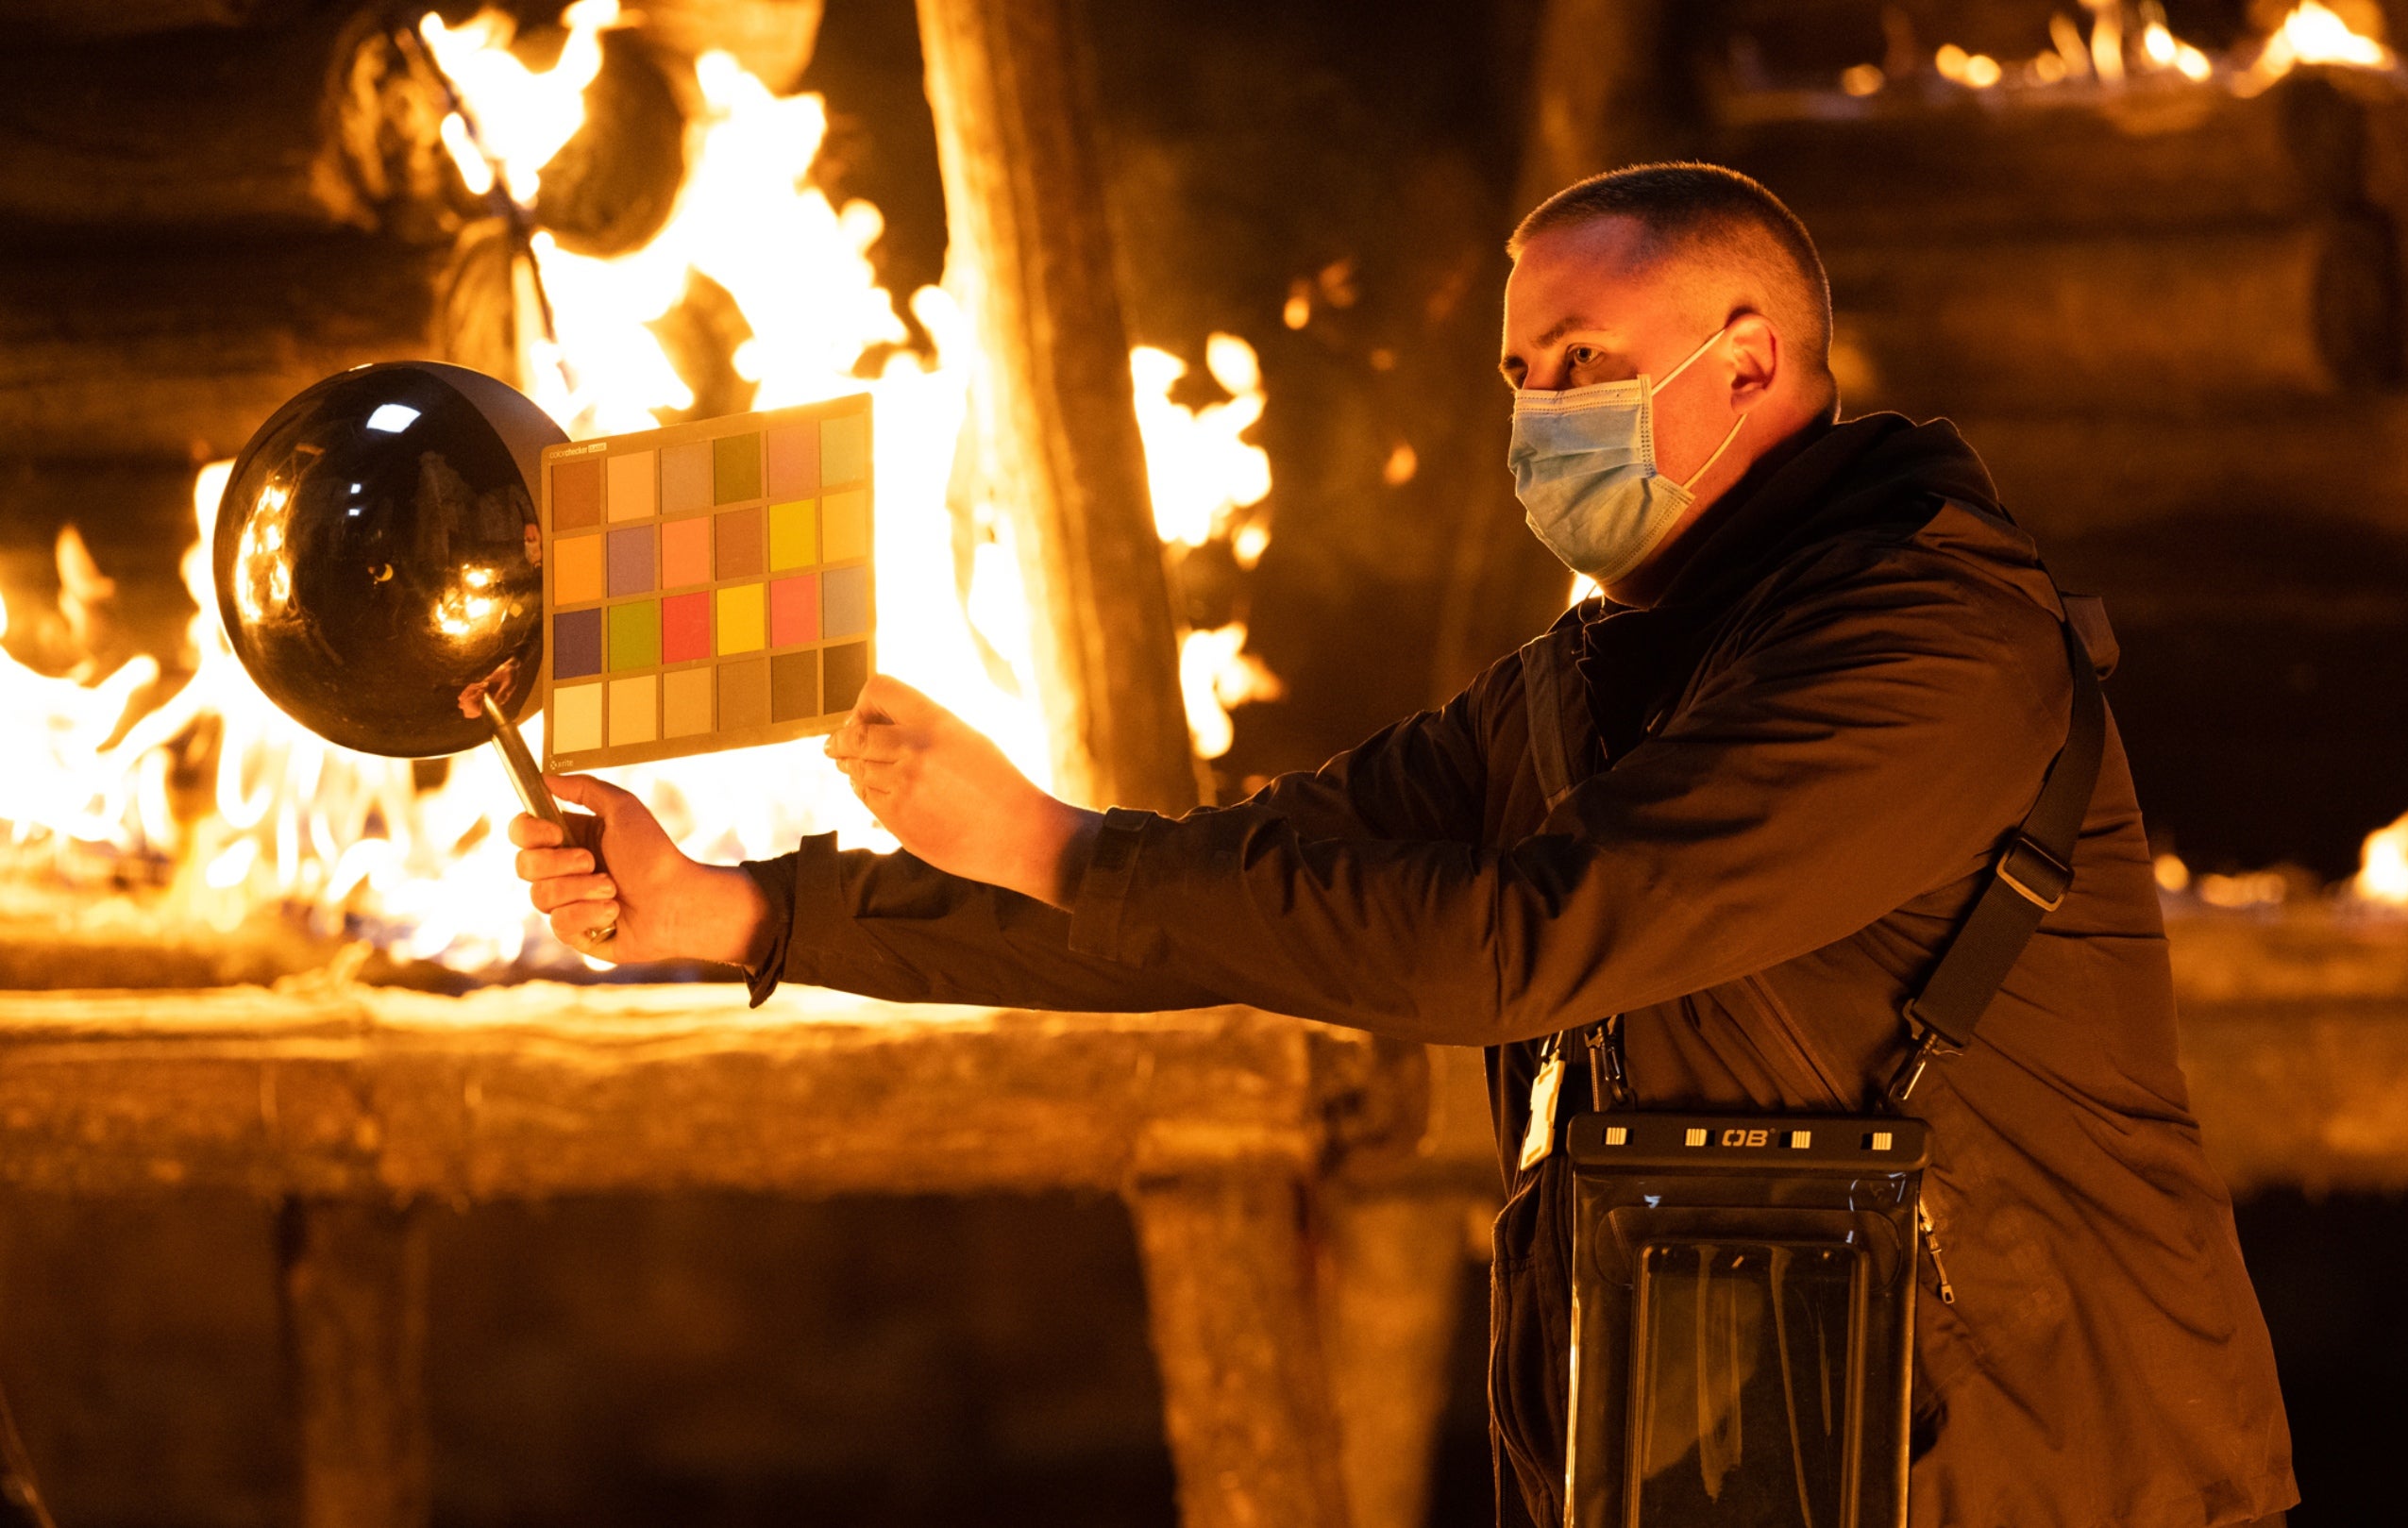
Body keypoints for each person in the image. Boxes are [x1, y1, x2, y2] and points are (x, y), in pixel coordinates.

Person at [512, 162, 2299, 1528]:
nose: (1538, 421)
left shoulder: (1931, 646)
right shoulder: (1584, 681)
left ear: (1750, 356)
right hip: (1742, 1462)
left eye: (1583, 365)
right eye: (1522, 377)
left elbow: (1530, 941)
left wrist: (1053, 844)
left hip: (2047, 1471)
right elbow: (1215, 899)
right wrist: (741, 908)